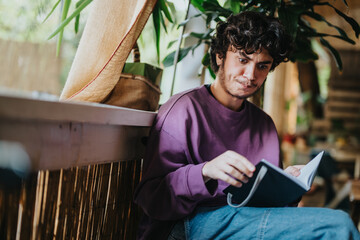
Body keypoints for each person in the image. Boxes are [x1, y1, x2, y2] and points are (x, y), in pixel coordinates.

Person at [134, 11, 360, 240]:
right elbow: (151, 198)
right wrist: (204, 171)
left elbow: (271, 212)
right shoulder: (182, 111)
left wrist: (288, 185)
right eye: (243, 60)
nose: (251, 75)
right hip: (186, 224)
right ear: (220, 56)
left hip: (243, 220)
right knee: (338, 225)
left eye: (262, 66)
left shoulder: (264, 125)